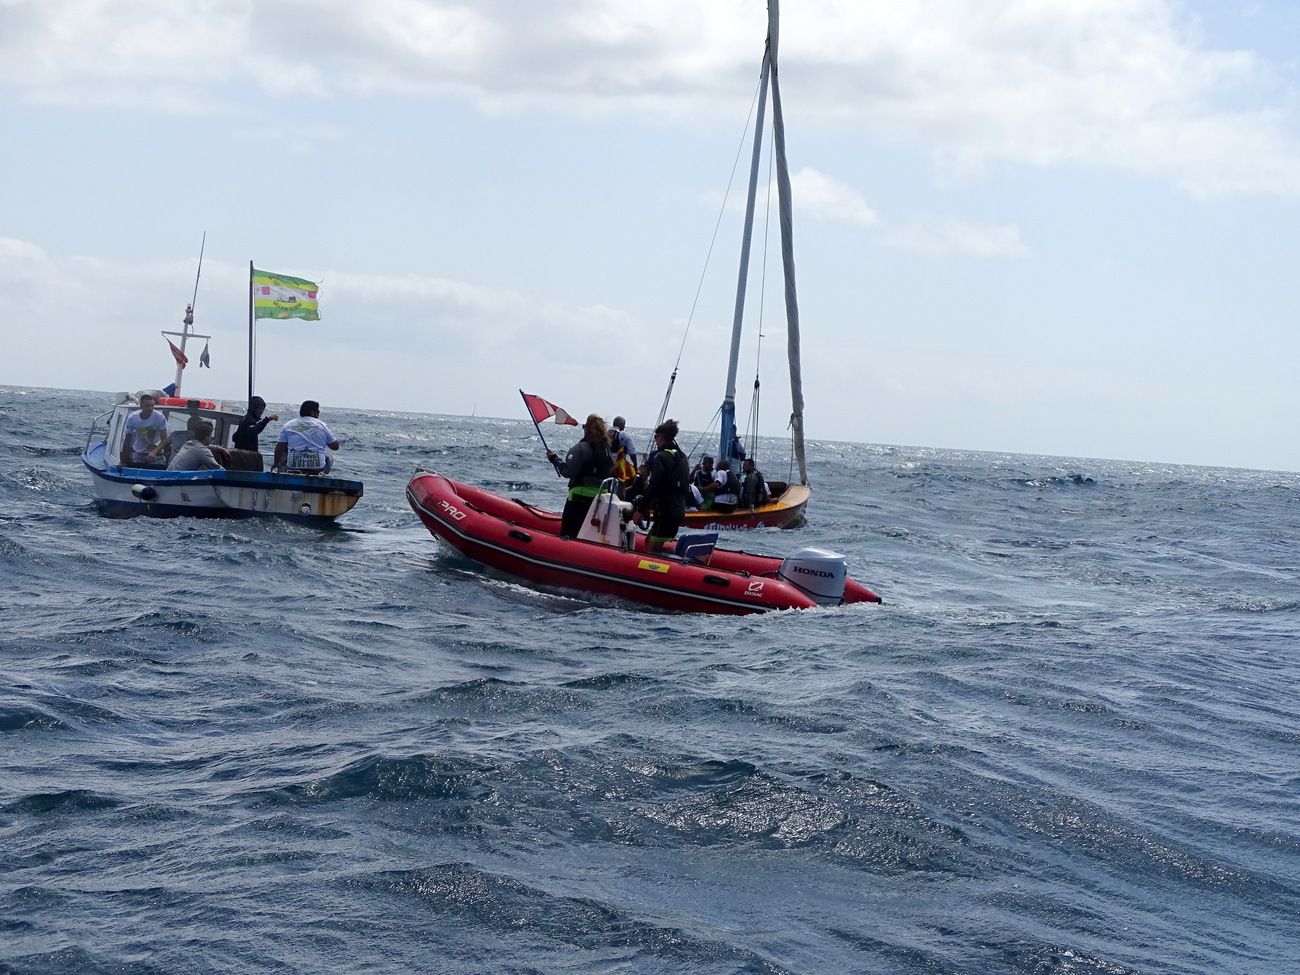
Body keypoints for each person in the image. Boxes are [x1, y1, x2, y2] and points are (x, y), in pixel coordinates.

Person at [547, 414, 613, 538]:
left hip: (578, 499)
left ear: (586, 429)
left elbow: (568, 472)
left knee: (569, 533)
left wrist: (555, 460)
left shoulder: (580, 448)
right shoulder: (607, 450)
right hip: (599, 501)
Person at [632, 419, 691, 553]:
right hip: (678, 509)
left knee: (652, 549)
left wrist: (640, 510)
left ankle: (672, 564)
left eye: (656, 437)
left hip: (666, 512)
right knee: (648, 542)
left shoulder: (662, 457)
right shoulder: (682, 457)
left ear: (661, 437)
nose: (655, 440)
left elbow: (655, 486)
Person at [273, 400, 341, 474]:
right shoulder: (322, 425)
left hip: (293, 467)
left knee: (284, 453)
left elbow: (279, 448)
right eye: (318, 412)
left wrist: (276, 463)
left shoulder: (288, 425)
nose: (318, 414)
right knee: (328, 456)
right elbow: (335, 446)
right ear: (312, 412)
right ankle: (322, 475)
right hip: (318, 469)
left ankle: (282, 475)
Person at [120, 393, 168, 468]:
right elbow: (127, 440)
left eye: (152, 406)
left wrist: (154, 452)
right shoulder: (132, 418)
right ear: (141, 406)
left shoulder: (160, 417)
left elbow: (164, 439)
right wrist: (122, 461)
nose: (150, 408)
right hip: (139, 453)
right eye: (147, 406)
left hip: (156, 453)